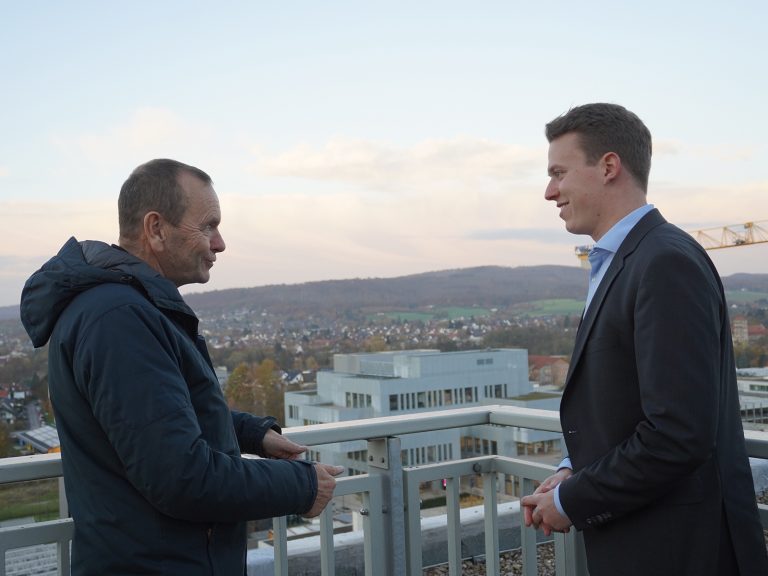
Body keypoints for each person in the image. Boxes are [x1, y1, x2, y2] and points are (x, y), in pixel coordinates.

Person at [20, 159, 344, 575]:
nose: (220, 242)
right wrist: (302, 485)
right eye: (208, 225)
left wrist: (248, 432)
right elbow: (182, 477)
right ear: (155, 229)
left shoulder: (125, 309)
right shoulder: (119, 319)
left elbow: (152, 415)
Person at [520, 104, 768, 575]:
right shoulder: (628, 260)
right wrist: (575, 468)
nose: (550, 191)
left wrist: (574, 499)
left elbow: (676, 433)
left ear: (609, 167)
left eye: (559, 172)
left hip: (681, 552)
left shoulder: (663, 262)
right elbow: (626, 403)